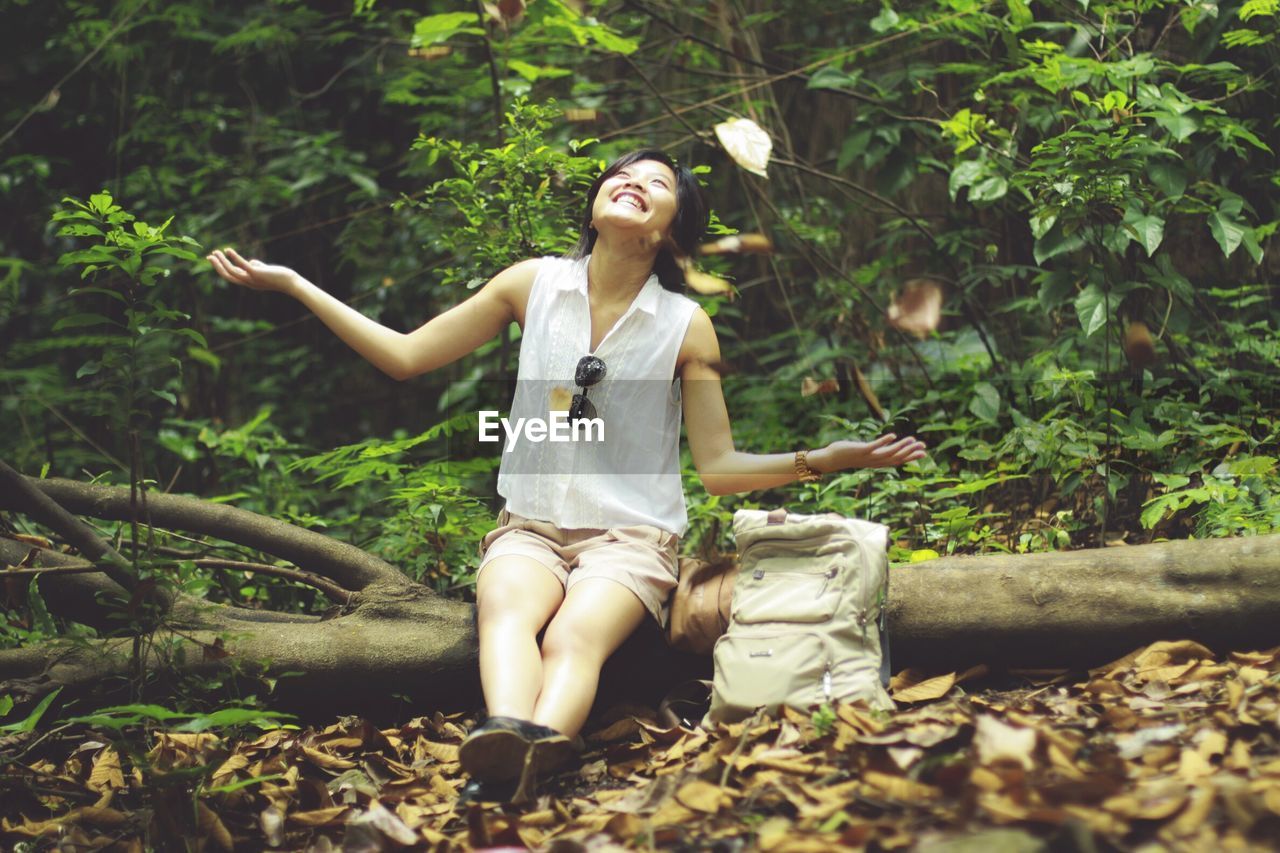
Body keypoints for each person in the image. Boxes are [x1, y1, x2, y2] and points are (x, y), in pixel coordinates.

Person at [207, 148, 927, 799]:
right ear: (597, 201)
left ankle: (526, 761)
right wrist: (297, 283)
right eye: (622, 172)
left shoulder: (685, 325)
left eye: (656, 182)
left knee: (572, 638)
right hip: (530, 526)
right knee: (507, 611)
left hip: (630, 539)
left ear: (673, 231)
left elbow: (716, 468)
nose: (631, 182)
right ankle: (505, 738)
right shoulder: (532, 284)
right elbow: (405, 355)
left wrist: (823, 460)